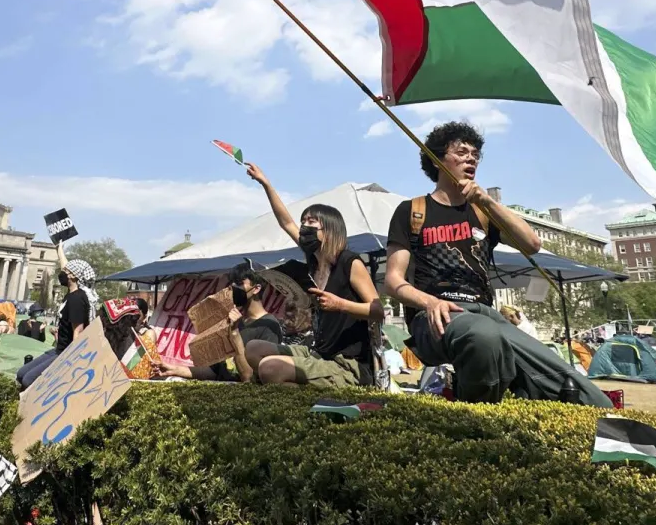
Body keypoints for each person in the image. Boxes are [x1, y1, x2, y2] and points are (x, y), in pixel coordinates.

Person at [382, 121, 612, 406]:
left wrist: (487, 202)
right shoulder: (412, 211)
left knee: (584, 392)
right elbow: (393, 281)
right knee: (482, 336)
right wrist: (429, 302)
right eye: (461, 152)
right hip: (436, 317)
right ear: (438, 160)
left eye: (475, 154)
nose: (471, 158)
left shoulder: (483, 212)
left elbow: (531, 244)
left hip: (487, 314)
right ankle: (478, 425)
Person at [244, 164, 381, 387]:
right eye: (304, 221)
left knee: (270, 368)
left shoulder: (350, 263)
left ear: (329, 229)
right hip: (319, 353)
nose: (304, 227)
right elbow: (286, 222)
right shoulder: (314, 262)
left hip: (347, 363)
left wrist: (340, 304)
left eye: (311, 222)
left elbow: (378, 310)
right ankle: (299, 387)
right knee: (254, 349)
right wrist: (266, 184)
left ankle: (303, 395)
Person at [153, 265, 282, 383]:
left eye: (239, 283)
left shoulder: (269, 327)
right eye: (231, 283)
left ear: (256, 289)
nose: (233, 288)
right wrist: (174, 369)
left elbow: (248, 377)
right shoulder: (236, 321)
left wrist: (234, 333)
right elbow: (214, 370)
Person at [15, 257, 97, 390]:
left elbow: (79, 331)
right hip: (58, 348)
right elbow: (67, 264)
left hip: (66, 352)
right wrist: (59, 247)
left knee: (28, 380)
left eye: (66, 271)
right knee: (21, 373)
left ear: (73, 276)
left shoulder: (77, 299)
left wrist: (73, 360)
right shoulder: (70, 295)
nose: (63, 273)